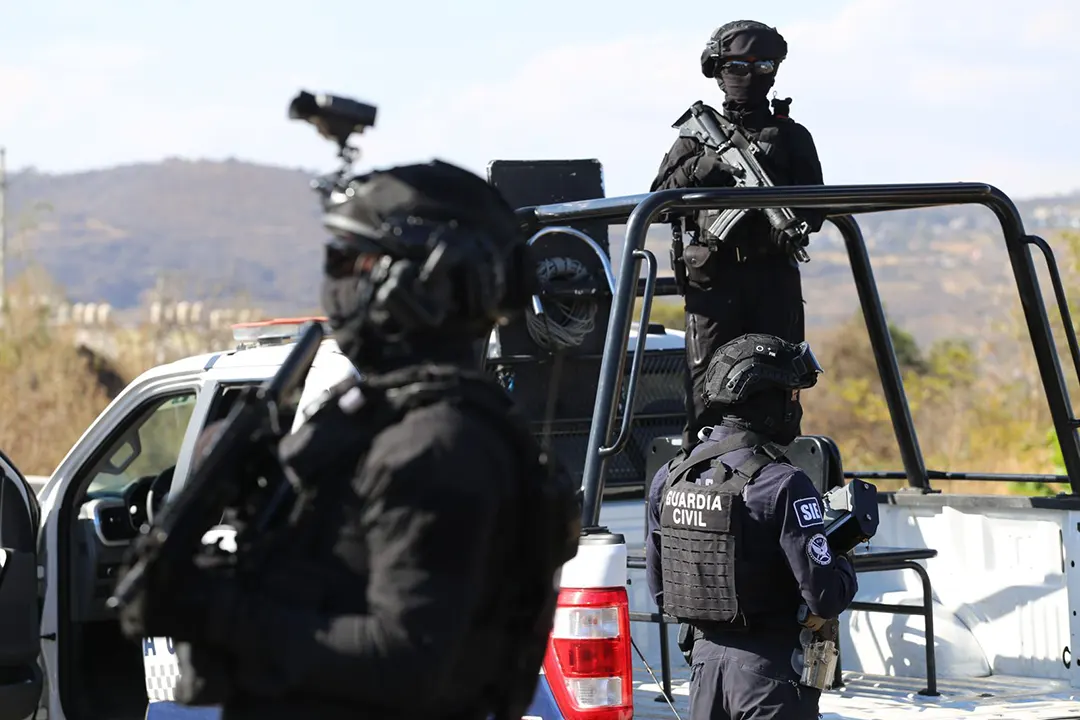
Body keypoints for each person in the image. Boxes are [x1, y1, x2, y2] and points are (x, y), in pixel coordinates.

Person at [135, 159, 578, 720]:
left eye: (347, 262)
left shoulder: (437, 444)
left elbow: (405, 659)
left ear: (417, 283)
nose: (333, 283)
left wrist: (219, 613)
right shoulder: (380, 417)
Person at [645, 333, 858, 720]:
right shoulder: (784, 483)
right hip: (771, 679)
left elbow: (661, 591)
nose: (797, 406)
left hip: (704, 674)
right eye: (792, 395)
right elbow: (824, 597)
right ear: (768, 400)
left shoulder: (671, 477)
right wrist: (843, 558)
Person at [650, 20, 827, 453]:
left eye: (763, 66)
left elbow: (817, 207)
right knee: (707, 393)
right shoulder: (696, 137)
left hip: (773, 281)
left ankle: (773, 477)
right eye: (737, 66)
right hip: (713, 285)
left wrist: (788, 221)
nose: (749, 76)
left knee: (778, 386)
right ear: (717, 70)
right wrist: (702, 169)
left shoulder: (790, 137)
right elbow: (658, 202)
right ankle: (700, 473)